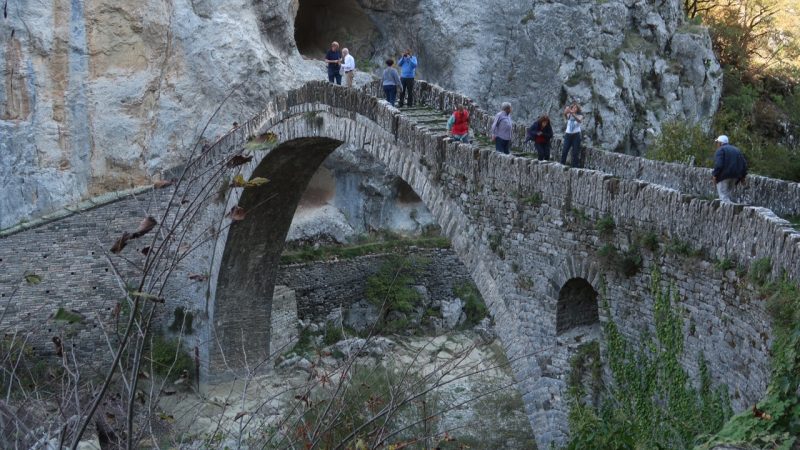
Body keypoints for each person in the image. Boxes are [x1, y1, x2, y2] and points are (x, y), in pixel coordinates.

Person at [712, 135, 748, 203]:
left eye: (717, 143)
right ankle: (731, 211)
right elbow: (744, 164)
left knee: (723, 197)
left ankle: (725, 212)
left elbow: (719, 164)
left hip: (723, 177)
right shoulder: (737, 150)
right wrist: (743, 177)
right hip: (735, 177)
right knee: (729, 196)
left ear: (720, 143)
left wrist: (714, 175)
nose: (716, 145)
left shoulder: (721, 150)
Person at [560, 101, 583, 167]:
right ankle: (562, 164)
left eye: (575, 108)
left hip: (576, 135)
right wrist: (567, 110)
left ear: (577, 109)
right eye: (573, 107)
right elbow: (564, 114)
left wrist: (573, 114)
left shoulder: (580, 115)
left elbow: (579, 120)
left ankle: (575, 166)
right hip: (568, 134)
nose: (574, 109)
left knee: (575, 152)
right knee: (565, 150)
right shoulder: (569, 115)